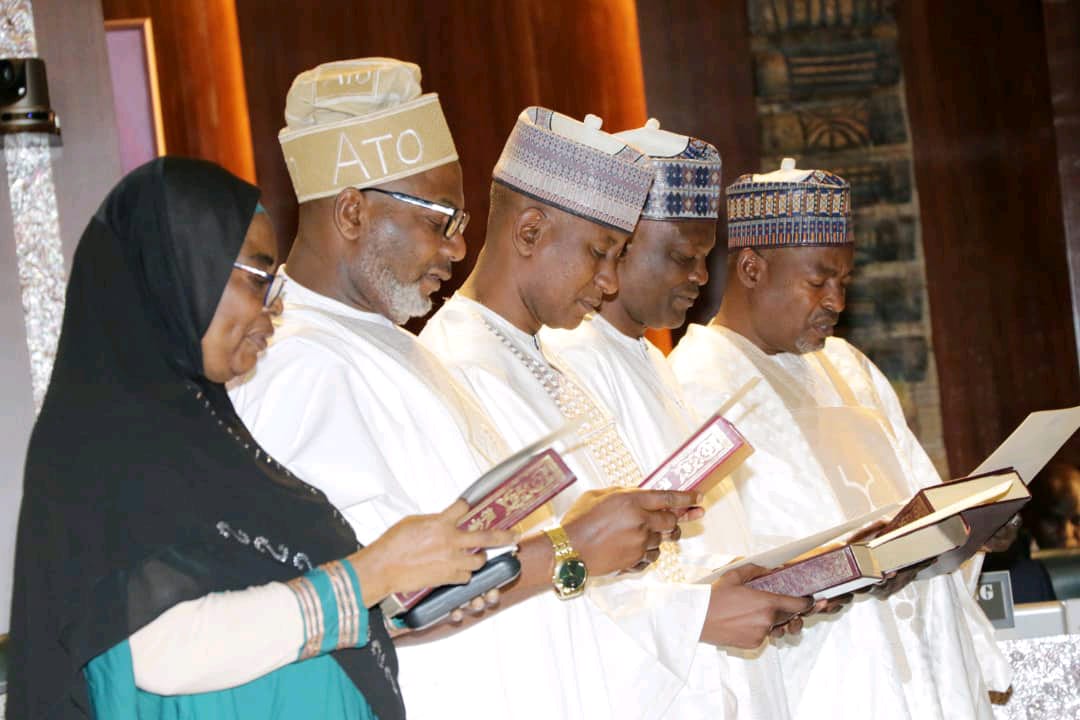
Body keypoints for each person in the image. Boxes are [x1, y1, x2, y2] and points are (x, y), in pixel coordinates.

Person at [228, 60, 703, 720]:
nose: (457, 251)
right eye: (440, 223)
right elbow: (384, 602)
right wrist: (570, 546)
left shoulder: (397, 347)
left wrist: (569, 533)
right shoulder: (297, 364)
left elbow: (483, 554)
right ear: (352, 211)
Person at [6, 157, 515, 720]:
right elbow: (162, 651)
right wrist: (371, 575)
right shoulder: (106, 445)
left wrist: (399, 601)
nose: (274, 310)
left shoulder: (212, 437)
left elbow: (263, 618)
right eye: (257, 279)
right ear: (178, 270)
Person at [422, 108, 814, 719]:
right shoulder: (458, 370)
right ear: (530, 232)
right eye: (601, 252)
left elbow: (609, 563)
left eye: (619, 254)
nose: (609, 282)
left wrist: (710, 593)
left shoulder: (547, 360)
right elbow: (500, 592)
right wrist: (692, 617)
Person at [668, 158, 1011, 718]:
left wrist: (971, 528)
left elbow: (921, 502)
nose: (836, 302)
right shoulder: (691, 387)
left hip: (919, 664)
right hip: (821, 679)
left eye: (844, 282)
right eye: (818, 281)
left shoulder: (850, 368)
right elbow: (699, 568)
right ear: (752, 268)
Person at [540, 119, 795, 719]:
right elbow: (590, 563)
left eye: (706, 258)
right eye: (684, 257)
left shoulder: (652, 359)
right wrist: (700, 613)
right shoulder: (567, 361)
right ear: (620, 247)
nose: (701, 278)